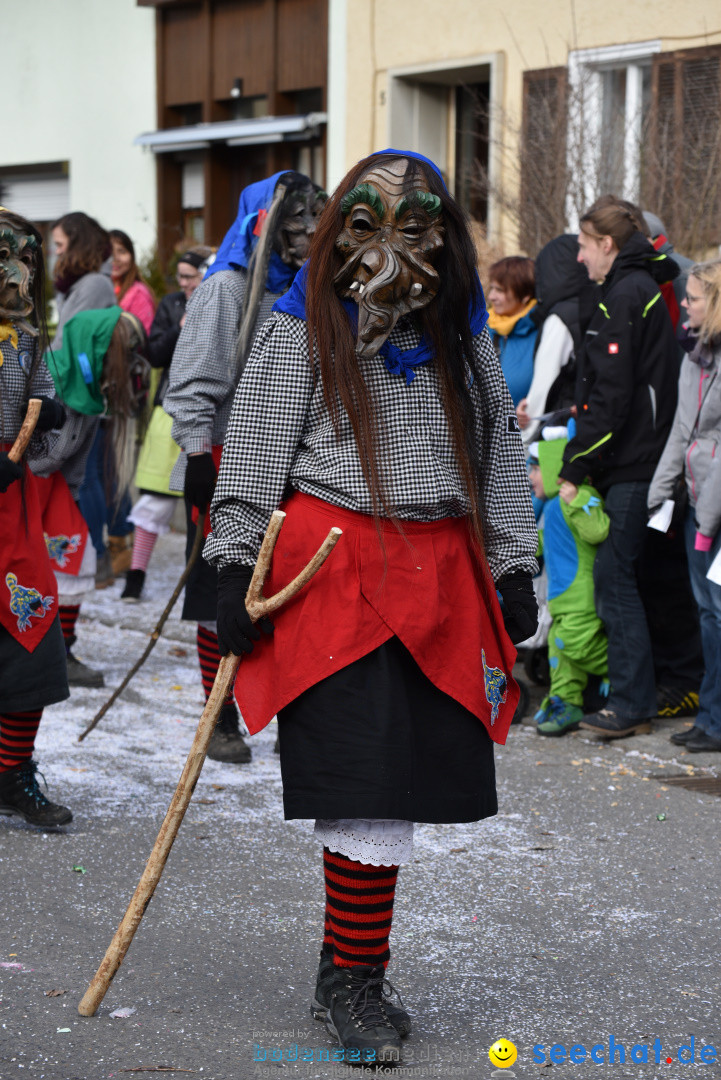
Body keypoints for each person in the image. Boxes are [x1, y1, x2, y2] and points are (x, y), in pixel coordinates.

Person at [205, 150, 538, 1063]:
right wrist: (231, 567)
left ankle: (344, 965)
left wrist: (514, 567)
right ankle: (354, 980)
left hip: (438, 571)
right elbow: (258, 446)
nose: (393, 249)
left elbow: (497, 459)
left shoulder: (464, 335)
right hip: (331, 569)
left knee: (410, 780)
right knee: (365, 781)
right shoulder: (299, 325)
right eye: (369, 224)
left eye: (417, 225)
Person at [164, 172, 326, 765]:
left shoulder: (319, 294)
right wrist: (199, 454)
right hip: (223, 465)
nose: (309, 230)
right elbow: (190, 384)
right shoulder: (227, 290)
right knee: (220, 595)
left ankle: (283, 704)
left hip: (296, 473)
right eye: (296, 217)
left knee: (286, 593)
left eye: (318, 217)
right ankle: (220, 713)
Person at [557, 195, 680, 738]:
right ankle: (634, 696)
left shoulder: (629, 292)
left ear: (606, 244)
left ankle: (631, 704)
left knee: (615, 577)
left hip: (635, 462)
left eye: (584, 245)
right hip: (633, 458)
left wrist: (575, 466)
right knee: (621, 576)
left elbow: (611, 396)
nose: (579, 257)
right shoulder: (628, 289)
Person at [0, 207, 72, 826]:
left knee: (33, 639)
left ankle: (11, 771)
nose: (13, 271)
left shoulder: (26, 335)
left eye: (23, 258)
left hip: (12, 511)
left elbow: (44, 418)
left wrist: (48, 417)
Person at [648, 260, 721, 753]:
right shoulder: (692, 356)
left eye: (693, 297)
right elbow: (682, 429)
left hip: (716, 510)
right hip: (699, 503)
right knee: (708, 614)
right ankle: (712, 717)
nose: (686, 304)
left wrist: (709, 516)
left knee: (717, 611)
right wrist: (661, 489)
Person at [122, 246, 214, 603]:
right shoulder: (172, 304)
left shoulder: (224, 299)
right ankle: (136, 575)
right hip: (170, 409)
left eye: (192, 276)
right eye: (182, 278)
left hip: (209, 414)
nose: (186, 284)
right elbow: (154, 353)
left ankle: (202, 579)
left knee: (204, 503)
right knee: (155, 499)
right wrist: (180, 328)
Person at [48, 212, 116, 683]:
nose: (54, 252)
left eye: (58, 243)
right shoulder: (84, 286)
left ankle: (60, 651)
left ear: (78, 243)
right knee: (61, 546)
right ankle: (56, 650)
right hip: (62, 419)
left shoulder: (93, 286)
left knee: (69, 544)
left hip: (67, 422)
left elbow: (70, 355)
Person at [529, 425, 609, 736]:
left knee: (579, 644)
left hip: (582, 597)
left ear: (553, 467)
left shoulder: (581, 495)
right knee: (559, 652)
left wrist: (576, 499)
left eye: (535, 468)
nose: (531, 476)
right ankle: (566, 702)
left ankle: (622, 672)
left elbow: (598, 530)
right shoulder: (552, 506)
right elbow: (547, 543)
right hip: (561, 600)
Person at [516, 234, 591, 445]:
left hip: (558, 431)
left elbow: (545, 381)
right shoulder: (595, 305)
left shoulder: (560, 318)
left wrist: (524, 434)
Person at [486, 256, 538, 407]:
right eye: (492, 288)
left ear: (525, 295)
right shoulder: (482, 329)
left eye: (499, 290)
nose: (491, 297)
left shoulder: (541, 335)